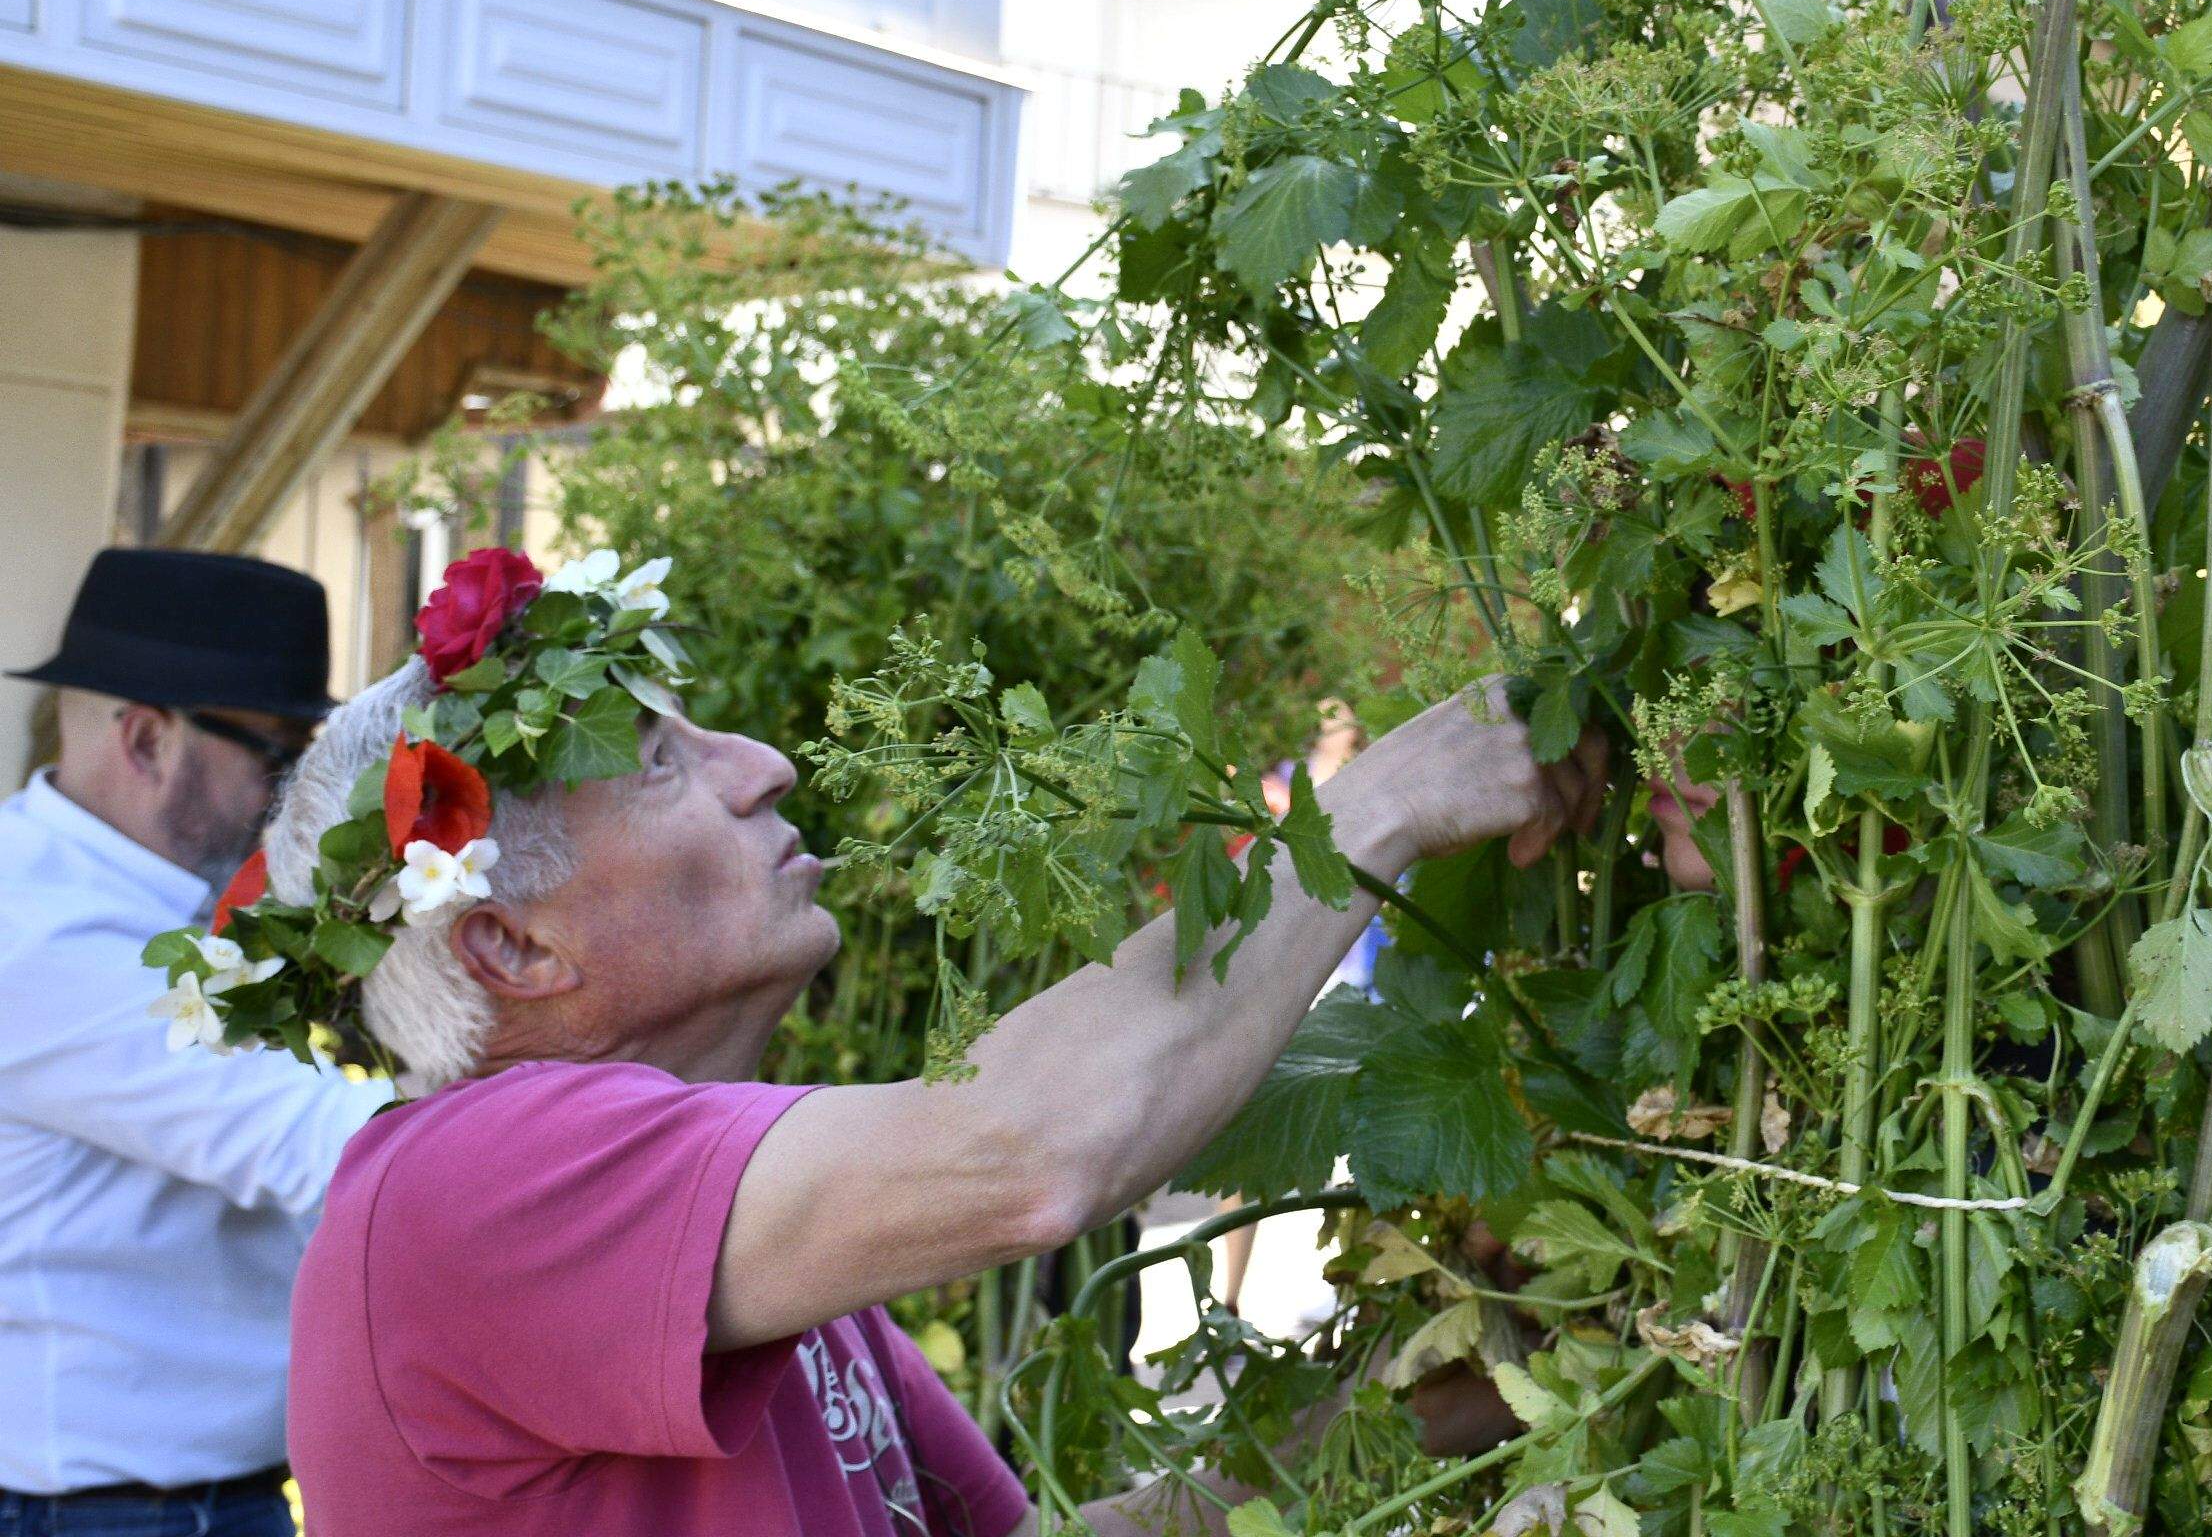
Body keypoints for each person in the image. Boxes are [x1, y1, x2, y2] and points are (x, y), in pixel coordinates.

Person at [179, 546, 1601, 1535]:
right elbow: (1031, 1154)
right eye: (668, 761)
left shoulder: (726, 1219)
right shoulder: (462, 1181)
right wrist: (1370, 810)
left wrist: (1418, 1395)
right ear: (510, 946)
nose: (766, 766)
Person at [0, 548, 390, 1534]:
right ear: (146, 739)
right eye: (279, 752)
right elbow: (329, 1144)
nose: (301, 788)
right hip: (108, 1511)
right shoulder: (39, 933)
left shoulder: (151, 900)